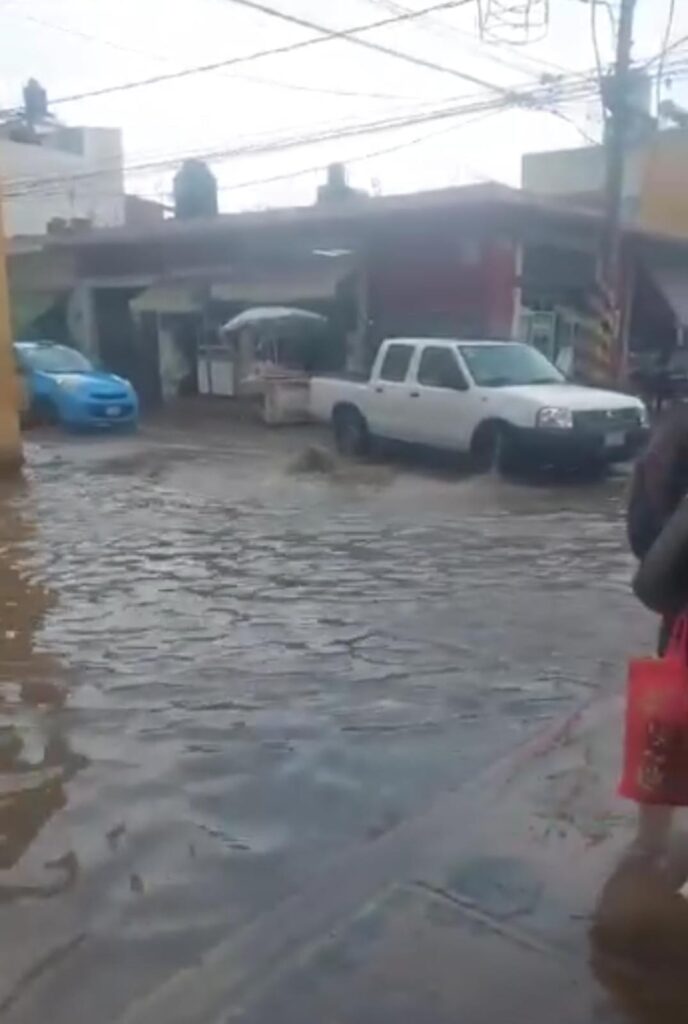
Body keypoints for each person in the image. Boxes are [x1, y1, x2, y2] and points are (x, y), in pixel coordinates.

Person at [627, 404, 688, 857]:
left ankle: (650, 848)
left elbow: (641, 536)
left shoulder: (672, 431)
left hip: (679, 620)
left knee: (666, 736)